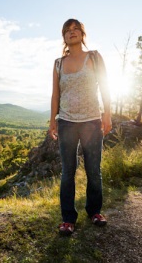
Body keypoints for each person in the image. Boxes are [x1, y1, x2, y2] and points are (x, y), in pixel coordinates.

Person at [49, 19, 112, 235]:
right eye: (67, 30)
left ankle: (94, 211)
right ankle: (68, 219)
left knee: (93, 170)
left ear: (82, 34)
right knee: (68, 172)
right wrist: (52, 121)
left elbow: (105, 87)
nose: (71, 32)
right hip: (66, 122)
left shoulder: (94, 57)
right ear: (64, 37)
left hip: (92, 121)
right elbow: (56, 94)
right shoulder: (58, 63)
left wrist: (107, 115)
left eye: (75, 29)